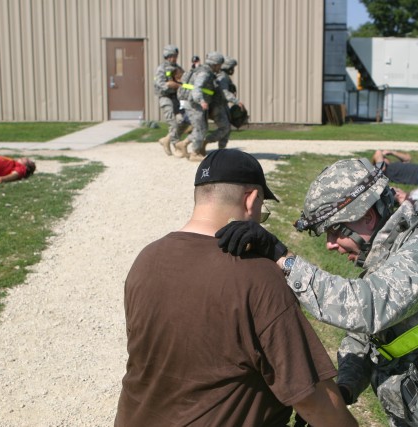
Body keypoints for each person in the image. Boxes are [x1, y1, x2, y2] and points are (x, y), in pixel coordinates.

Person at [216, 158, 418, 426]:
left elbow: (366, 307)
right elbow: (363, 336)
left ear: (368, 217)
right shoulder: (398, 254)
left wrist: (282, 258)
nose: (331, 244)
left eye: (334, 231)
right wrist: (343, 389)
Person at [115, 149, 357, 427]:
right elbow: (311, 398)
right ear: (252, 198)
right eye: (262, 211)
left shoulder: (147, 259)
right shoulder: (258, 275)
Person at [184, 51, 231, 162]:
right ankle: (194, 154)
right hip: (195, 105)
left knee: (202, 128)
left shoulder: (207, 72)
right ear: (214, 64)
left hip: (196, 104)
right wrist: (201, 101)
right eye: (219, 65)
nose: (220, 67)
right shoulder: (204, 73)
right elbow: (197, 87)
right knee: (200, 128)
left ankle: (188, 147)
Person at [153, 44, 183, 156]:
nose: (173, 58)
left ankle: (166, 140)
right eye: (171, 56)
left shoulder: (178, 68)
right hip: (165, 97)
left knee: (181, 121)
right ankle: (176, 146)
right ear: (166, 56)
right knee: (172, 122)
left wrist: (180, 84)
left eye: (175, 56)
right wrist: (169, 85)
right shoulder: (161, 69)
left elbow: (184, 81)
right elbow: (159, 83)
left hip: (176, 98)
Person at [216, 56, 247, 143]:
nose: (232, 69)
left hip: (221, 104)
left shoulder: (223, 76)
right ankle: (206, 143)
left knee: (226, 128)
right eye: (232, 67)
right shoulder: (223, 77)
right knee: (225, 128)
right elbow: (225, 93)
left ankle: (220, 148)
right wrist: (237, 102)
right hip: (219, 105)